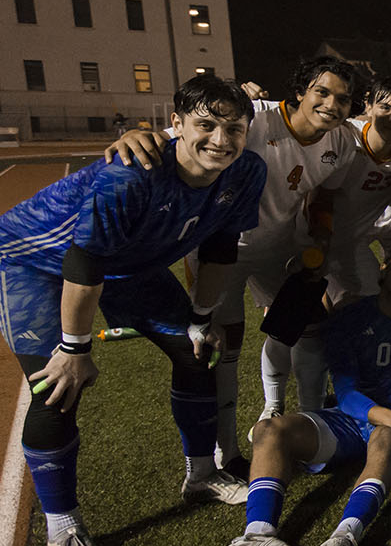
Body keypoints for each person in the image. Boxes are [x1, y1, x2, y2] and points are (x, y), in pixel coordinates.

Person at [0, 75, 265, 546]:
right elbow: (83, 263)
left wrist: (201, 319)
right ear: (176, 125)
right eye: (206, 125)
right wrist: (74, 349)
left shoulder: (247, 171)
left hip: (124, 264)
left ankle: (202, 473)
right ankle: (63, 528)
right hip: (35, 262)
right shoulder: (130, 173)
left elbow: (220, 248)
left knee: (194, 351)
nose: (220, 139)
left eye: (234, 128)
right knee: (56, 387)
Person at [109, 56, 365, 472]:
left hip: (280, 249)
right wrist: (139, 137)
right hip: (220, 250)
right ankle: (225, 454)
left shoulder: (340, 142)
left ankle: (300, 417)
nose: (331, 105)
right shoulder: (257, 116)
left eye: (342, 98)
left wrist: (319, 234)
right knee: (221, 348)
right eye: (322, 92)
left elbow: (324, 195)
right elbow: (190, 130)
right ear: (301, 91)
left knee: (305, 329)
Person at [185, 249, 391, 546]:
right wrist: (384, 414)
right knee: (269, 430)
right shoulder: (352, 316)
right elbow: (345, 391)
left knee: (386, 434)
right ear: (383, 270)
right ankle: (258, 536)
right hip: (353, 416)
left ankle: (344, 537)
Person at [327, 78, 391, 306]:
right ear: (368, 106)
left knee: (370, 304)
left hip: (350, 243)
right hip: (307, 238)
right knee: (299, 321)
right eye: (385, 107)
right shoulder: (343, 136)